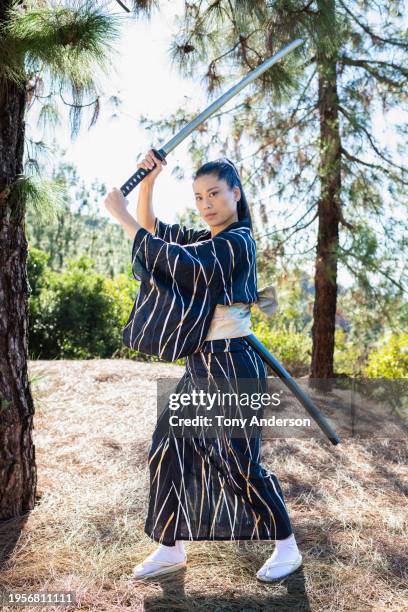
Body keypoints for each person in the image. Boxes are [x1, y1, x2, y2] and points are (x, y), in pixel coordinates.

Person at [104, 149, 303, 583]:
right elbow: (158, 232)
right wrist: (150, 180)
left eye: (214, 193)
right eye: (198, 196)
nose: (206, 203)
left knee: (238, 461)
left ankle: (287, 545)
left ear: (236, 193)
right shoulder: (209, 239)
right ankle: (170, 548)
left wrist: (123, 220)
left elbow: (186, 268)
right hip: (200, 364)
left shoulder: (238, 242)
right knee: (168, 448)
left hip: (233, 365)